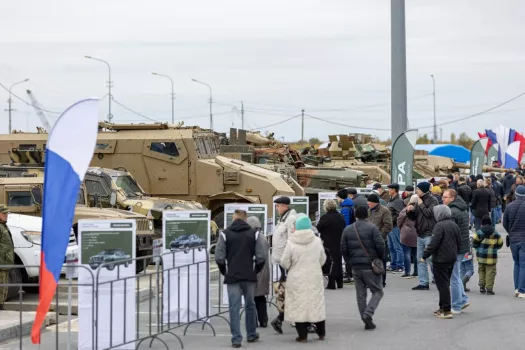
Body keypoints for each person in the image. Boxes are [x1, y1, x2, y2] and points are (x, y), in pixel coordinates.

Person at [215, 209, 268, 348]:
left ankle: (236, 338)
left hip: (232, 276)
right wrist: (255, 270)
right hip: (249, 276)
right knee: (250, 305)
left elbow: (219, 256)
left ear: (234, 219)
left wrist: (224, 271)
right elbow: (261, 255)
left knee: (234, 307)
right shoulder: (254, 234)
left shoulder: (225, 234)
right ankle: (251, 334)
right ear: (245, 219)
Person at [281, 216, 327, 343]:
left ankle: (302, 336)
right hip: (314, 276)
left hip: (296, 277)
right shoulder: (317, 241)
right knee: (316, 303)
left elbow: (284, 262)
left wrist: (292, 268)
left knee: (298, 305)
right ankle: (321, 332)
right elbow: (323, 259)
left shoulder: (291, 242)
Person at [341, 206, 386, 330]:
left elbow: (343, 248)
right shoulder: (373, 228)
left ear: (355, 215)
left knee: (360, 294)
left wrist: (349, 262)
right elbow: (380, 245)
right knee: (377, 291)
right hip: (370, 264)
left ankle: (364, 318)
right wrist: (380, 258)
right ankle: (368, 313)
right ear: (367, 215)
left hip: (356, 265)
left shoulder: (348, 229)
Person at [421, 205, 461, 319]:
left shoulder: (439, 226)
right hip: (451, 258)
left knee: (442, 285)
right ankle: (442, 307)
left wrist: (424, 255)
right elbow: (459, 241)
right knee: (445, 283)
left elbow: (434, 243)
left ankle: (446, 310)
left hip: (440, 259)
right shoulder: (454, 225)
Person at [270, 196, 297, 333]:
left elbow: (291, 240)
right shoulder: (283, 218)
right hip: (280, 260)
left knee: (285, 289)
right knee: (281, 289)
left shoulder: (290, 219)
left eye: (278, 206)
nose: (276, 208)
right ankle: (283, 316)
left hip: (285, 261)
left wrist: (287, 259)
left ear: (284, 206)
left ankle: (287, 317)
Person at [443, 189, 471, 314]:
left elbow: (450, 233)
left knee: (453, 278)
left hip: (455, 248)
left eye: (445, 197)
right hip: (462, 246)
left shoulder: (452, 212)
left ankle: (456, 306)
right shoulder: (462, 208)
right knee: (456, 276)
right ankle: (463, 299)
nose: (443, 199)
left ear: (452, 198)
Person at [411, 182, 439, 291]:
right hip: (420, 233)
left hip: (429, 233)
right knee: (420, 259)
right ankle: (423, 283)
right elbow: (414, 217)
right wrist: (410, 211)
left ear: (423, 190)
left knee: (431, 258)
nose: (416, 191)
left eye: (418, 189)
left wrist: (421, 203)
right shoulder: (417, 199)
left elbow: (429, 214)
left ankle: (437, 277)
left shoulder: (433, 200)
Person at [246, 216, 270, 328]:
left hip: (254, 269)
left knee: (251, 297)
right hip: (264, 270)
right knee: (261, 297)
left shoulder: (250, 237)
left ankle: (253, 321)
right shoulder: (263, 237)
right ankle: (263, 319)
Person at [317, 199, 346, 290]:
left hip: (328, 242)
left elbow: (318, 228)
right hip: (339, 241)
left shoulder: (325, 217)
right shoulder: (341, 216)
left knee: (331, 262)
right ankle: (340, 282)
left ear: (326, 207)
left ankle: (331, 283)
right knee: (338, 261)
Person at [503, 185, 525, 298]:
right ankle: (522, 290)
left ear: (516, 194)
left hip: (513, 239)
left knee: (516, 263)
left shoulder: (509, 206)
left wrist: (511, 232)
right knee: (523, 265)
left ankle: (517, 288)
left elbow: (504, 223)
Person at [472, 215, 503, 295]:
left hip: (481, 257)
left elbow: (474, 243)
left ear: (482, 223)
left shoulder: (479, 232)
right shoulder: (495, 233)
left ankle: (482, 286)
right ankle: (489, 289)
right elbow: (500, 243)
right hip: (491, 258)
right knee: (490, 272)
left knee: (481, 270)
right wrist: (495, 248)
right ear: (490, 223)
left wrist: (478, 248)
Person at [366, 193, 392, 287]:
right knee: (371, 261)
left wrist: (379, 236)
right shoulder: (369, 210)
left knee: (381, 261)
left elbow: (388, 225)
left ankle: (381, 281)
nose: (367, 203)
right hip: (369, 241)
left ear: (374, 202)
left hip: (380, 240)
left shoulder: (385, 211)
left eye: (369, 201)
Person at [397, 195, 418, 278]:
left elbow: (399, 220)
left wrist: (401, 228)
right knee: (416, 254)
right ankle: (416, 271)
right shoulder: (421, 210)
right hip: (417, 233)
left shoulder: (406, 209)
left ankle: (407, 272)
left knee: (406, 253)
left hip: (406, 233)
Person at [386, 184, 405, 274]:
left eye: (390, 188)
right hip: (390, 227)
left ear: (394, 190)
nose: (388, 190)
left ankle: (400, 265)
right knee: (391, 247)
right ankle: (393, 264)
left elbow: (400, 214)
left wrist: (391, 221)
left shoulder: (398, 201)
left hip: (395, 227)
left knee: (397, 246)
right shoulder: (391, 200)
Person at [0, 207, 13, 310]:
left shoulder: (3, 226)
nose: (6, 215)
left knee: (4, 287)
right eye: (4, 213)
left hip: (5, 262)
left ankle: (1, 305)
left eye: (6, 213)